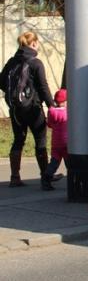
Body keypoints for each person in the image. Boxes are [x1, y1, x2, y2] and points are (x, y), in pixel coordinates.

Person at [0, 31, 56, 189]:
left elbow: (1, 81)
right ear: (34, 43)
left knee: (18, 140)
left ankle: (14, 177)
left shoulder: (12, 61)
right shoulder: (36, 63)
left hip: (16, 110)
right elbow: (43, 87)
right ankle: (45, 178)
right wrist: (51, 105)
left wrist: (16, 96)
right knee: (40, 141)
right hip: (34, 109)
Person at [44, 88, 68, 190]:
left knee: (54, 162)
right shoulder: (68, 112)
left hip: (56, 142)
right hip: (67, 142)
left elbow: (49, 124)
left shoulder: (51, 112)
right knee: (70, 163)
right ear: (65, 101)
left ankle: (46, 179)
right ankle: (74, 181)